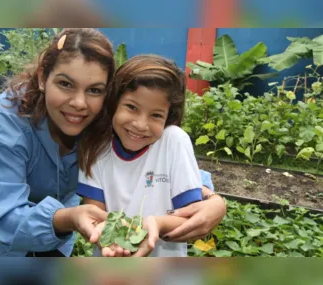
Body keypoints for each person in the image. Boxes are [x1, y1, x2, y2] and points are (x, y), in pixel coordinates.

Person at [0, 28, 224, 257]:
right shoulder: (9, 118)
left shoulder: (109, 116)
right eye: (65, 84)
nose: (79, 103)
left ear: (108, 92)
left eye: (94, 90)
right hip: (3, 221)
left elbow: (163, 155)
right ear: (43, 77)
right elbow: (2, 215)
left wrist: (212, 200)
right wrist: (69, 217)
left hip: (64, 225)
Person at [77, 54, 226, 257]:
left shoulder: (174, 141)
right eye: (131, 107)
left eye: (156, 115)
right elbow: (95, 215)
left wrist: (156, 225)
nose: (140, 124)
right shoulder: (95, 148)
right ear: (114, 102)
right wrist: (107, 233)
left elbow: (193, 217)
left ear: (169, 117)